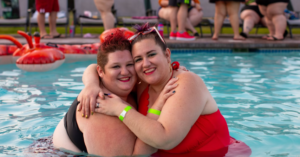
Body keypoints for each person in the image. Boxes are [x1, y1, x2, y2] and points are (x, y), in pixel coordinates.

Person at [78, 23, 251, 156]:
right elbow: (96, 66)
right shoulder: (143, 83)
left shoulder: (185, 82)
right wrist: (92, 85)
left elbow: (164, 139)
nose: (145, 64)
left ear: (167, 54)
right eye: (138, 59)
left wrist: (120, 109)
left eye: (152, 54)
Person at [52, 30, 177, 156]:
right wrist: (157, 107)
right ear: (101, 72)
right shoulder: (100, 107)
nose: (124, 72)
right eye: (116, 67)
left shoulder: (124, 87)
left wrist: (172, 70)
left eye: (130, 64)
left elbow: (92, 67)